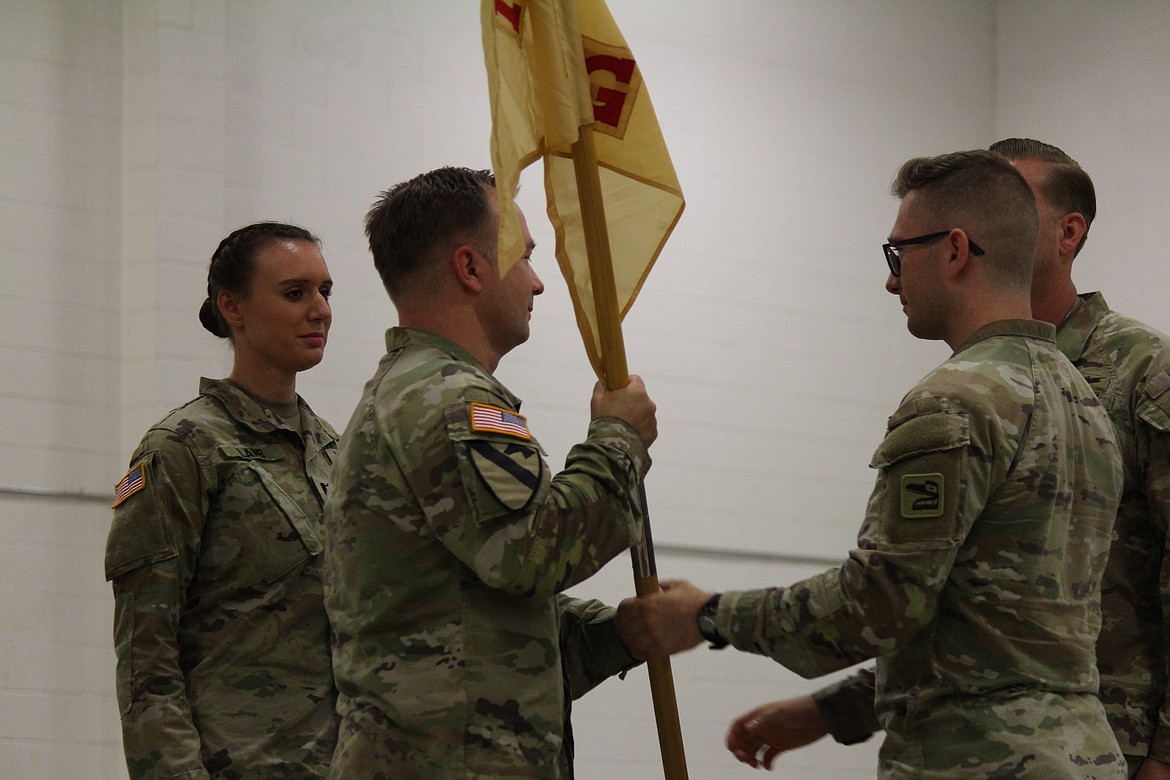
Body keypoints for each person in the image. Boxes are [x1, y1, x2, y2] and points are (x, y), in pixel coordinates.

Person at [619, 149, 1128, 778]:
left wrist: (707, 615)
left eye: (898, 253)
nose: (891, 280)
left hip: (975, 759)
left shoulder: (958, 398)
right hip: (1083, 753)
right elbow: (988, 625)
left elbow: (880, 603)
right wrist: (829, 711)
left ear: (954, 250)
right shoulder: (1082, 400)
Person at [323, 166, 657, 778]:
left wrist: (625, 633)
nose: (538, 283)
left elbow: (473, 625)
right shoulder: (449, 399)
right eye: (525, 257)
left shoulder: (415, 391)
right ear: (470, 269)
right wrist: (619, 440)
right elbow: (530, 555)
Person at [103, 222, 339, 779]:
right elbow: (146, 658)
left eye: (325, 292)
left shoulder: (335, 450)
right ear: (232, 307)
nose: (320, 310)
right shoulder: (184, 448)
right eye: (295, 293)